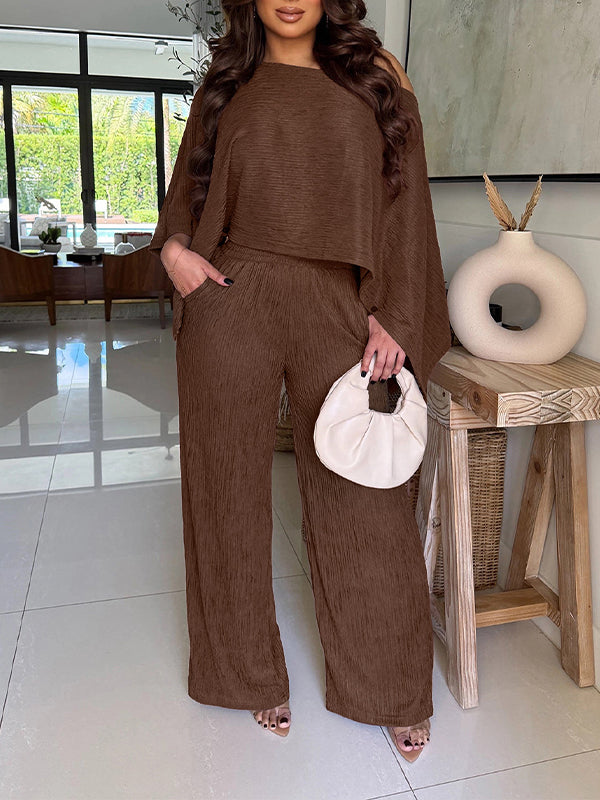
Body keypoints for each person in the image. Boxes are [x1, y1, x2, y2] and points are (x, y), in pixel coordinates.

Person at [148, 0, 451, 762]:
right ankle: (244, 674)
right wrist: (175, 253)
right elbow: (186, 193)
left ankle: (388, 683)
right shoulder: (229, 78)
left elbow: (406, 201)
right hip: (231, 295)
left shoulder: (375, 75)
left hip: (340, 299)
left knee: (366, 495)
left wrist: (397, 317)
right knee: (224, 492)